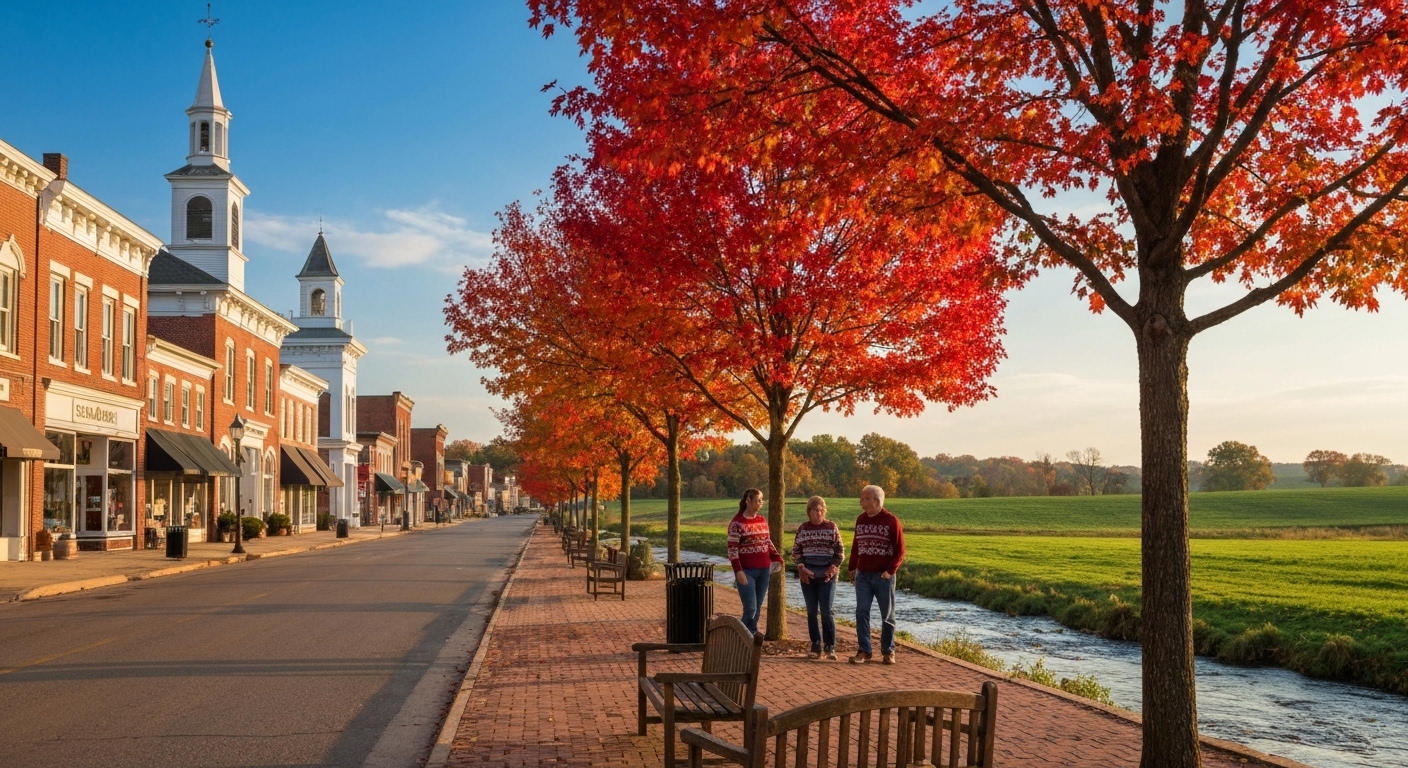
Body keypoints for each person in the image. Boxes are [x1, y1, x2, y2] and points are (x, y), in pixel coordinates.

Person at [847, 484, 905, 665]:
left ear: (876, 501)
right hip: (863, 574)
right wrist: (852, 568)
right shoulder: (861, 520)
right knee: (861, 612)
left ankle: (888, 651)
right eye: (862, 498)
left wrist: (890, 571)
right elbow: (856, 546)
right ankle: (865, 650)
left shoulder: (891, 521)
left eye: (865, 498)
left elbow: (900, 550)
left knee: (887, 615)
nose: (861, 501)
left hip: (883, 576)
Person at [791, 496, 844, 660]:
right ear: (809, 512)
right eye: (815, 510)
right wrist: (801, 568)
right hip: (808, 573)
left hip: (827, 574)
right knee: (812, 611)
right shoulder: (803, 529)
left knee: (826, 610)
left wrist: (833, 568)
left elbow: (840, 552)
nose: (819, 513)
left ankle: (830, 646)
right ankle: (815, 644)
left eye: (821, 510)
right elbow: (796, 552)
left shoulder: (831, 527)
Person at [727, 488, 782, 635]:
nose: (760, 503)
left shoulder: (762, 520)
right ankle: (740, 637)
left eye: (761, 500)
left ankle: (749, 640)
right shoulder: (737, 523)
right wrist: (738, 571)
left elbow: (767, 541)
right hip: (746, 571)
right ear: (748, 501)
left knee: (757, 608)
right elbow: (732, 550)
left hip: (764, 570)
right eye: (758, 500)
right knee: (750, 608)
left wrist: (776, 557)